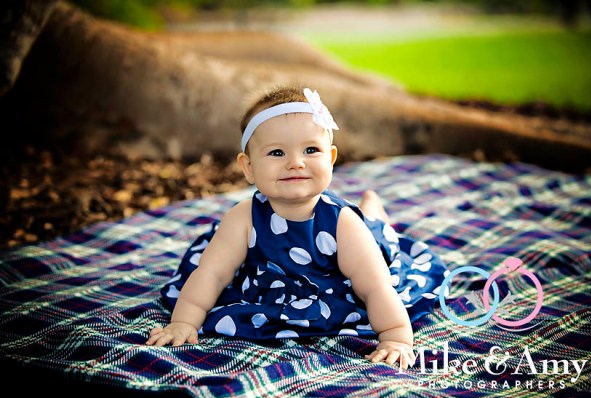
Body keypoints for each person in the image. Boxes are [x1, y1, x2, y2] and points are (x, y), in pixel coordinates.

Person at [147, 85, 447, 370]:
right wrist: (183, 323)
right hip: (272, 284)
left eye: (311, 150)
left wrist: (395, 337)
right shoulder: (243, 218)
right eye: (277, 153)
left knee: (373, 228)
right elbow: (211, 274)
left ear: (331, 158)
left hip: (349, 268)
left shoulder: (342, 223)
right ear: (249, 167)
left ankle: (372, 208)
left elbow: (375, 287)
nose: (296, 163)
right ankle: (369, 207)